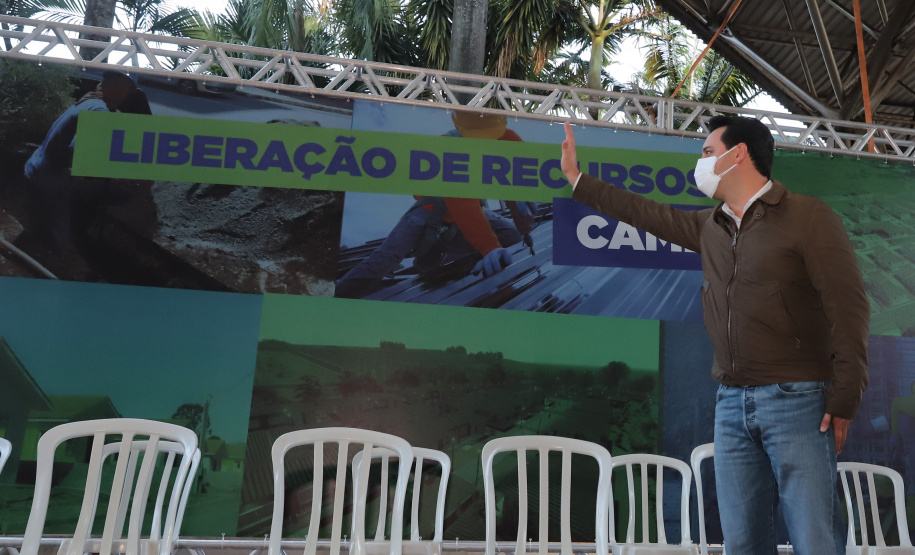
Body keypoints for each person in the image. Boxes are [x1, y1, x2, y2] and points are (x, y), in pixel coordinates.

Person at [561, 116, 869, 554]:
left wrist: (845, 396)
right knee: (741, 543)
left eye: (708, 152)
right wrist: (578, 180)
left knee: (815, 539)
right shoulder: (711, 226)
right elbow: (646, 213)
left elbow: (848, 306)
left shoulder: (807, 217)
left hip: (798, 400)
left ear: (738, 154)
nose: (701, 163)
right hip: (730, 403)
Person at [335, 112, 536, 299]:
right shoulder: (447, 145)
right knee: (384, 259)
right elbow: (461, 203)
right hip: (430, 211)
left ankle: (462, 272)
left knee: (512, 236)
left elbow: (516, 185)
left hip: (471, 214)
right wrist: (490, 248)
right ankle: (337, 297)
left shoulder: (508, 139)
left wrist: (524, 227)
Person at [23, 70, 139, 253]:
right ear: (121, 91)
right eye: (126, 91)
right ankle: (60, 257)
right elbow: (78, 151)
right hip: (51, 178)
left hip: (34, 166)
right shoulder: (100, 110)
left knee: (39, 225)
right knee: (60, 234)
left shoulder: (89, 101)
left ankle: (39, 246)